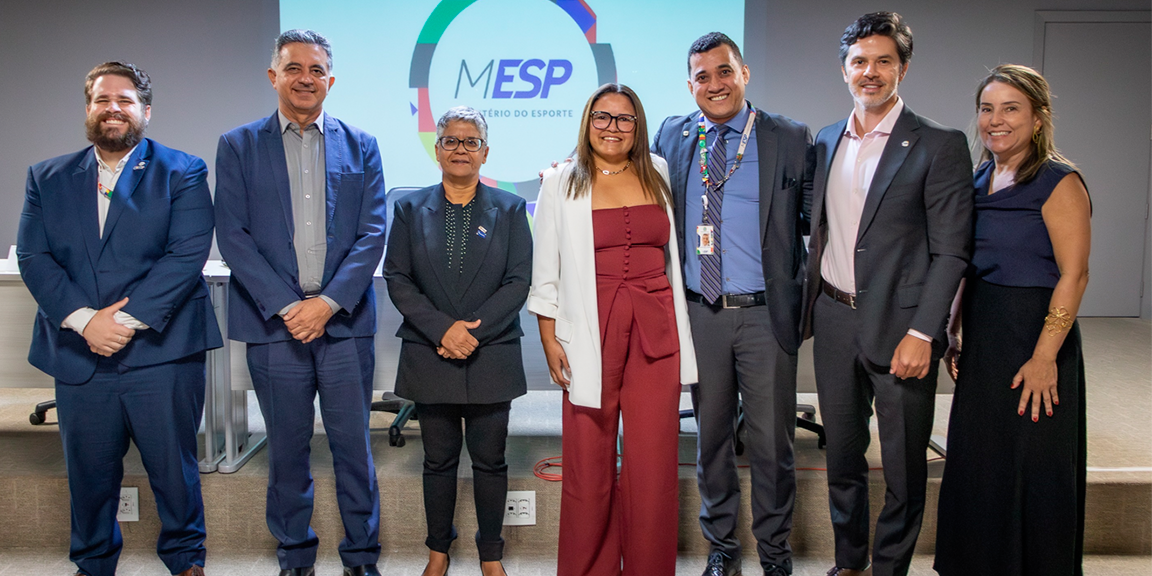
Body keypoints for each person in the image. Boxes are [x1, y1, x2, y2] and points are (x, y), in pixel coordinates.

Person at [17, 61, 221, 576]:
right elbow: (34, 257)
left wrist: (119, 325)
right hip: (79, 352)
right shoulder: (46, 177)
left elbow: (186, 255)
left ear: (145, 111)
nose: (113, 108)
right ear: (88, 109)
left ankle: (185, 559)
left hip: (162, 349)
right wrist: (86, 322)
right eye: (102, 100)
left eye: (125, 100)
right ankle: (93, 562)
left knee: (173, 470)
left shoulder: (183, 170)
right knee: (88, 473)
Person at [801, 13, 974, 576]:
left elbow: (952, 252)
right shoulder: (826, 139)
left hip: (904, 328)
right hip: (834, 319)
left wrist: (925, 331)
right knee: (843, 457)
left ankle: (890, 567)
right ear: (844, 69)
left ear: (903, 68)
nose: (869, 72)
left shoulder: (939, 144)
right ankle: (850, 561)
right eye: (859, 61)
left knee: (902, 465)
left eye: (883, 61)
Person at [213, 30, 387, 576]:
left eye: (316, 70)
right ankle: (295, 555)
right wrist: (290, 307)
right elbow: (233, 235)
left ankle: (361, 556)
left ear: (330, 80)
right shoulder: (238, 145)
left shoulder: (362, 145)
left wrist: (328, 303)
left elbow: (373, 232)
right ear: (274, 77)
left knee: (353, 449)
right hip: (274, 327)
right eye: (293, 68)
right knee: (286, 450)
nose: (305, 78)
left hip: (344, 324)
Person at [651, 32, 811, 576]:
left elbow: (818, 220)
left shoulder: (789, 136)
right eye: (703, 76)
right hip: (702, 313)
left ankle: (775, 555)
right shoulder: (672, 134)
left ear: (744, 74)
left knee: (772, 446)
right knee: (712, 439)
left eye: (725, 72)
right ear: (689, 85)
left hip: (765, 314)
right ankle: (722, 549)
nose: (715, 84)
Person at [529, 83, 697, 576]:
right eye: (602, 117)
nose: (613, 128)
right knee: (588, 463)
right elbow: (546, 271)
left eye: (625, 119)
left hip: (655, 331)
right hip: (589, 331)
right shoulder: (560, 181)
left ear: (638, 126)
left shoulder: (658, 171)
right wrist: (549, 338)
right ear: (587, 122)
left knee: (653, 465)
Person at [934, 64, 1091, 576]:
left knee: (1033, 466)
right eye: (987, 109)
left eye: (1010, 109)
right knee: (981, 462)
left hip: (1035, 336)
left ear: (1038, 118)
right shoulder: (979, 178)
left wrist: (1045, 358)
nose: (995, 120)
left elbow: (1075, 275)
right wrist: (954, 330)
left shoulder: (1059, 182)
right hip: (984, 335)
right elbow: (968, 264)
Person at [383, 106, 531, 576]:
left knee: (491, 460)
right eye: (451, 140)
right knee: (438, 460)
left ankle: (491, 555)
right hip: (431, 351)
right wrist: (443, 330)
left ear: (485, 152)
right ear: (437, 150)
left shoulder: (510, 208)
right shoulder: (409, 209)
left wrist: (471, 333)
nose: (461, 149)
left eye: (471, 142)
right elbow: (398, 278)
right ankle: (437, 552)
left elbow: (518, 281)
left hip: (492, 351)